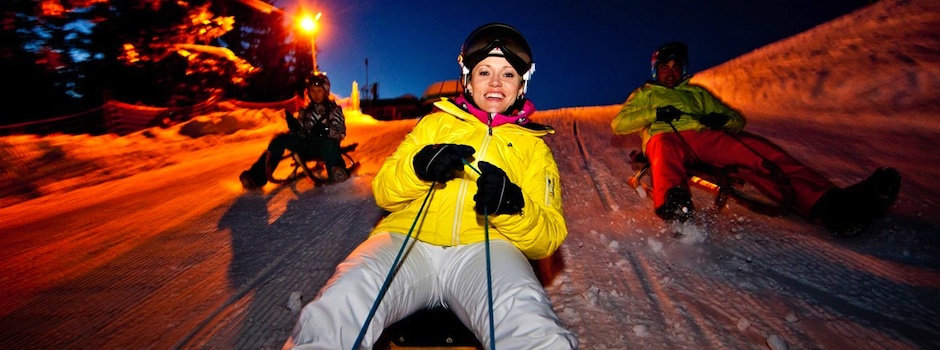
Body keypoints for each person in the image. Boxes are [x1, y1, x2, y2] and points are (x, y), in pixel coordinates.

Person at [282, 23, 578, 349]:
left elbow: (548, 237)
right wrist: (418, 169)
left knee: (529, 323)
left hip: (486, 250)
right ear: (467, 78)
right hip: (407, 241)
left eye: (508, 74)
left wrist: (514, 207)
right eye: (485, 72)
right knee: (342, 302)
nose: (495, 82)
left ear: (522, 84)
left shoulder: (535, 148)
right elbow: (384, 190)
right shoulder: (435, 124)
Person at [611, 41, 901, 235]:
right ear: (656, 70)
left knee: (755, 150)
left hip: (703, 137)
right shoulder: (644, 94)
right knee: (663, 148)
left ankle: (830, 205)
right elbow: (619, 124)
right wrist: (656, 114)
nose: (671, 72)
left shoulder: (696, 94)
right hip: (667, 136)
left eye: (676, 67)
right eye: (665, 67)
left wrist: (720, 119)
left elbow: (737, 120)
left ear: (683, 70)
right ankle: (675, 204)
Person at [239, 72, 348, 188]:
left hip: (322, 147)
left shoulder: (333, 110)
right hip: (305, 145)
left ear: (325, 92)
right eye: (312, 91)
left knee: (330, 145)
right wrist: (295, 127)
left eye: (319, 91)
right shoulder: (306, 111)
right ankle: (256, 176)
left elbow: (341, 131)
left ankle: (337, 171)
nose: (316, 95)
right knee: (280, 139)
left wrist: (326, 130)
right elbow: (300, 131)